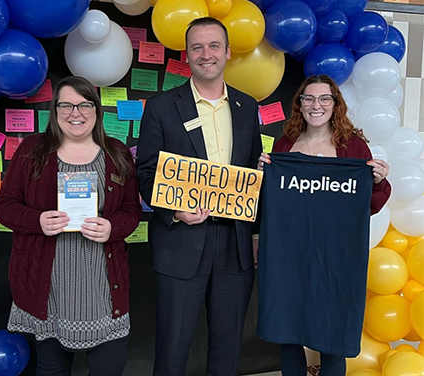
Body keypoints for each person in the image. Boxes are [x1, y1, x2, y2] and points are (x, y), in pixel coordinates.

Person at [136, 17, 262, 376]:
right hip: (182, 241)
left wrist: (255, 235)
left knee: (227, 347)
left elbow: (253, 173)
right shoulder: (161, 107)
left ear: (227, 52)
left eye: (213, 46)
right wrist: (175, 211)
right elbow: (146, 174)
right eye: (197, 47)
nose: (206, 54)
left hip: (235, 245)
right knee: (173, 349)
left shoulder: (247, 107)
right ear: (187, 55)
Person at [0, 76, 141, 376]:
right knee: (51, 369)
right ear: (55, 110)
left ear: (96, 110)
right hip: (48, 291)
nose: (76, 113)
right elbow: (4, 208)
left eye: (84, 104)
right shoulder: (32, 150)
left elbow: (131, 211)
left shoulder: (117, 153)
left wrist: (112, 228)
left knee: (109, 369)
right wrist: (37, 221)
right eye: (67, 105)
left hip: (103, 291)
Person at [257, 74, 391, 376]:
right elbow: (272, 202)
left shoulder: (354, 147)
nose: (315, 105)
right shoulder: (285, 144)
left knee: (333, 333)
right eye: (308, 98)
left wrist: (379, 181)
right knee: (286, 330)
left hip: (336, 258)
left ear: (335, 104)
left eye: (324, 98)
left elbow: (367, 204)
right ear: (300, 105)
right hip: (289, 256)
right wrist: (263, 175)